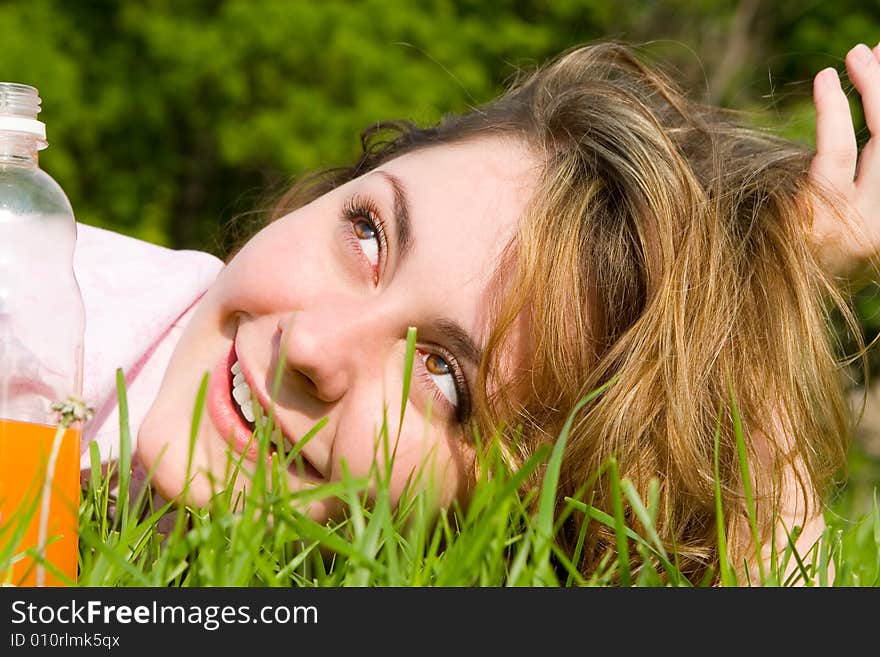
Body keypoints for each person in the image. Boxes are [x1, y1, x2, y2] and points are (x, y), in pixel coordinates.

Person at [77, 40, 880, 585]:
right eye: (367, 232)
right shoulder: (43, 299)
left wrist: (775, 315)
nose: (313, 345)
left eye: (443, 374)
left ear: (510, 513)